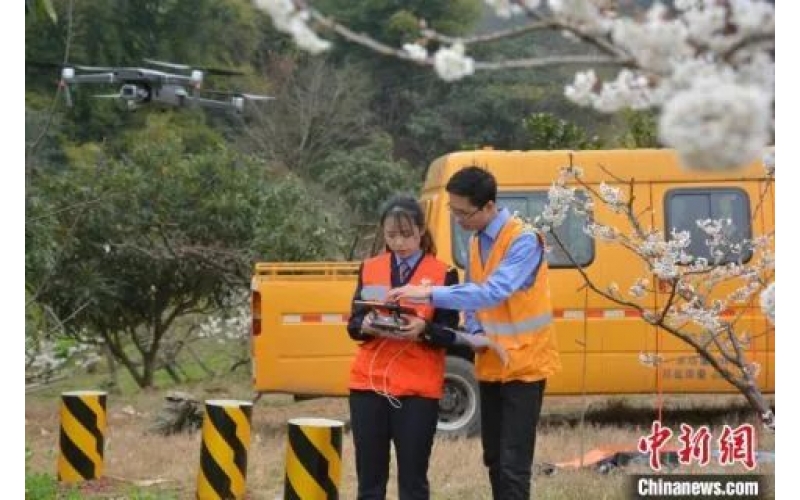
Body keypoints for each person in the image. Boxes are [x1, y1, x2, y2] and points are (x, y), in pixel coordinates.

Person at [386, 166, 562, 500]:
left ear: (489, 207)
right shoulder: (477, 240)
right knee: (494, 457)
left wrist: (428, 293)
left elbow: (494, 291)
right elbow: (472, 295)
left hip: (525, 365)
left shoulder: (524, 240)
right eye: (454, 210)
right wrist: (478, 332)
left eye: (462, 212)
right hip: (492, 362)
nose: (457, 219)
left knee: (513, 462)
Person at [347, 195, 460, 500]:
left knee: (413, 482)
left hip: (417, 390)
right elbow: (353, 324)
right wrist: (366, 325)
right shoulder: (370, 267)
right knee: (369, 482)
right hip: (368, 385)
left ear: (421, 231)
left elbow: (450, 333)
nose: (399, 242)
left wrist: (423, 330)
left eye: (406, 234)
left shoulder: (443, 273)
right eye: (391, 235)